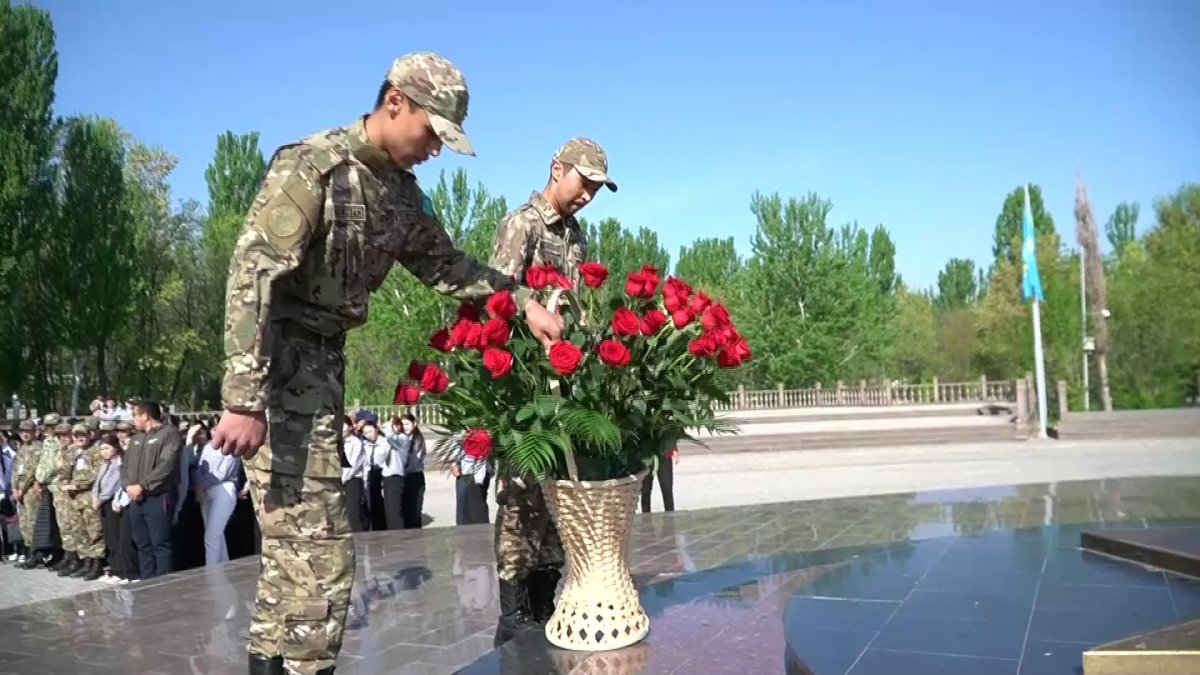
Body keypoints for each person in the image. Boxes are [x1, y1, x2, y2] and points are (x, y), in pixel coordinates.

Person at [209, 51, 563, 675]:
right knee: (321, 561)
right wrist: (244, 396)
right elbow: (253, 273)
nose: (434, 150)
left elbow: (448, 267)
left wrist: (522, 302)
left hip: (324, 367)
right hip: (282, 363)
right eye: (432, 134)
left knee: (292, 559)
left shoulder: (400, 195)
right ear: (394, 101)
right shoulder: (313, 166)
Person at [488, 136, 616, 644]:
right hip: (523, 382)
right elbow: (496, 289)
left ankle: (544, 605)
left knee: (559, 496)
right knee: (521, 495)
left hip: (564, 380)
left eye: (597, 189)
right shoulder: (522, 223)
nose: (588, 194)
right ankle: (513, 617)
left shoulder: (576, 236)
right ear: (557, 168)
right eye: (584, 182)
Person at [121, 400, 183, 579]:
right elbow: (125, 466)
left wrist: (143, 485)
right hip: (136, 497)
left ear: (146, 415)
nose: (133, 419)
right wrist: (128, 486)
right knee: (142, 544)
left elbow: (166, 465)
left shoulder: (170, 434)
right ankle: (147, 582)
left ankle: (163, 584)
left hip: (158, 496)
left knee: (160, 544)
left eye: (135, 415)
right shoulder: (136, 438)